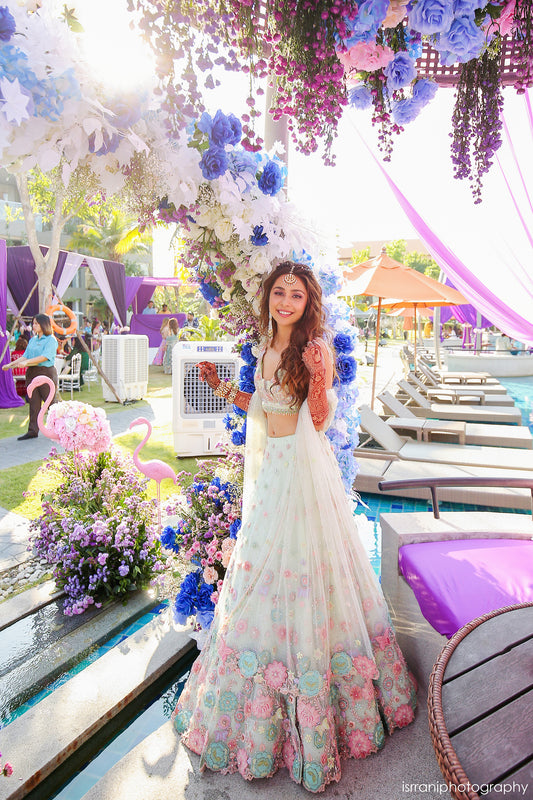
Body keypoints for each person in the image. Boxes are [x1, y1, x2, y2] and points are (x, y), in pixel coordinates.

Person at [172, 262, 416, 792]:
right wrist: (221, 389)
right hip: (275, 472)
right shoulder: (264, 349)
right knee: (263, 569)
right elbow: (263, 410)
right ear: (270, 298)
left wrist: (321, 375)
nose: (286, 301)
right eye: (280, 292)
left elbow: (320, 420)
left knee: (306, 569)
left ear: (309, 302)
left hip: (305, 476)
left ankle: (322, 708)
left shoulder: (314, 349)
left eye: (296, 294)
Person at [2, 314, 59, 440]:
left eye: (36, 323)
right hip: (32, 373)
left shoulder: (51, 340)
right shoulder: (33, 340)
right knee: (33, 403)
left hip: (46, 372)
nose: (34, 326)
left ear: (44, 325)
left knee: (51, 403)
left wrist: (27, 362)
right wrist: (10, 365)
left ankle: (60, 429)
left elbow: (44, 357)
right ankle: (33, 430)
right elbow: (25, 356)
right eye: (33, 323)